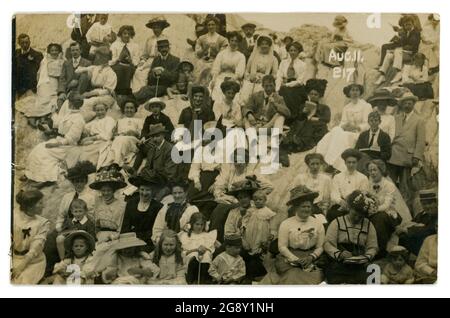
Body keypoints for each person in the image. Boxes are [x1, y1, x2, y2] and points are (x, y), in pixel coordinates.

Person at [211, 149, 273, 242]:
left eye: (241, 161)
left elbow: (269, 186)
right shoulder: (231, 172)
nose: (238, 164)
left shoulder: (252, 173)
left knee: (221, 208)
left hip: (246, 202)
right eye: (236, 161)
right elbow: (220, 185)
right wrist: (220, 195)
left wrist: (256, 196)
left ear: (246, 161)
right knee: (219, 209)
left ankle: (222, 239)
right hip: (233, 200)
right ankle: (217, 239)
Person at [24, 93, 85, 185]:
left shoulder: (79, 119)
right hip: (59, 141)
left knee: (43, 152)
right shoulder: (69, 113)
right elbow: (58, 123)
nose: (67, 103)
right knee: (39, 148)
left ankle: (44, 178)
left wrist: (55, 144)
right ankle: (32, 174)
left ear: (71, 103)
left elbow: (72, 138)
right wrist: (53, 113)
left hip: (67, 147)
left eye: (69, 102)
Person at [269, 185, 325, 284]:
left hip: (310, 257)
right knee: (293, 275)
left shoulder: (317, 223)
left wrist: (311, 257)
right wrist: (295, 259)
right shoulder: (286, 223)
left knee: (315, 276)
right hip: (290, 256)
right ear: (296, 208)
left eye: (309, 206)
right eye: (303, 206)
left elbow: (320, 246)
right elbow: (282, 247)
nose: (307, 209)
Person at [323, 190, 379, 284]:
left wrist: (366, 256)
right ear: (349, 208)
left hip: (360, 264)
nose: (357, 218)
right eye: (355, 215)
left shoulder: (368, 225)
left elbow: (373, 247)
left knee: (369, 278)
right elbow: (327, 244)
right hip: (340, 263)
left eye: (360, 217)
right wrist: (339, 254)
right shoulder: (337, 222)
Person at [316, 83, 372, 172]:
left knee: (343, 136)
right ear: (349, 93)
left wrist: (356, 127)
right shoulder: (346, 107)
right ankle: (325, 158)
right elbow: (343, 122)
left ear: (360, 92)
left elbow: (368, 124)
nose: (355, 92)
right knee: (335, 131)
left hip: (359, 134)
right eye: (352, 90)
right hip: (348, 131)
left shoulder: (366, 106)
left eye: (357, 90)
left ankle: (333, 163)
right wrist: (344, 126)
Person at [223, 177, 267, 281]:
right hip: (238, 244)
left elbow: (261, 230)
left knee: (255, 259)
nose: (243, 200)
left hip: (255, 244)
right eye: (240, 197)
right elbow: (228, 233)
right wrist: (241, 241)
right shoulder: (233, 213)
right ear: (237, 199)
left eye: (246, 197)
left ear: (251, 198)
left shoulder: (257, 211)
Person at [387, 92, 425, 203]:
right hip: (393, 156)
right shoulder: (396, 118)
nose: (407, 105)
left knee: (405, 186)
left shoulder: (419, 120)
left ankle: (406, 211)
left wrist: (417, 156)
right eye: (405, 103)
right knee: (391, 185)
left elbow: (421, 141)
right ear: (402, 105)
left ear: (413, 104)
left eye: (410, 103)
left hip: (408, 157)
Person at [281, 79, 330, 154]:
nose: (313, 96)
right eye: (311, 94)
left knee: (312, 126)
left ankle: (300, 142)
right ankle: (291, 140)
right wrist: (303, 113)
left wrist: (315, 119)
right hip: (303, 125)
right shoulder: (303, 105)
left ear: (319, 96)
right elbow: (298, 117)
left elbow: (326, 119)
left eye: (315, 94)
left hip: (316, 126)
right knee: (299, 123)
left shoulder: (324, 107)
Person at [366, 160, 403, 257]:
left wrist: (374, 210)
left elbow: (387, 204)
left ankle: (381, 250)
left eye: (375, 170)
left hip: (388, 214)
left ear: (381, 170)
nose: (372, 173)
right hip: (371, 212)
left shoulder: (389, 185)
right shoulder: (367, 184)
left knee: (379, 218)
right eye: (370, 170)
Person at [131, 123, 178, 201]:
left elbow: (169, 174)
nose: (155, 139)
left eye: (157, 136)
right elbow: (147, 167)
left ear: (163, 135)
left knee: (153, 200)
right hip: (151, 180)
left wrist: (150, 174)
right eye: (152, 137)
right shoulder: (152, 149)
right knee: (132, 196)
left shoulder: (171, 149)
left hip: (165, 183)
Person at [12, 190, 50, 284]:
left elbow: (36, 246)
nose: (43, 205)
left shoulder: (43, 223)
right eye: (40, 202)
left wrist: (21, 267)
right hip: (13, 258)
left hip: (34, 262)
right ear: (30, 205)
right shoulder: (14, 218)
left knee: (21, 281)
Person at [121, 173, 164, 252]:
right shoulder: (131, 203)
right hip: (130, 241)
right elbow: (125, 226)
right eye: (142, 189)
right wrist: (126, 240)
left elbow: (155, 229)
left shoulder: (158, 207)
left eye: (148, 190)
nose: (144, 193)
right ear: (138, 189)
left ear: (153, 191)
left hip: (148, 243)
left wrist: (139, 238)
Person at [75, 46, 117, 122]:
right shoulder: (95, 68)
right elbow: (77, 70)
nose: (96, 57)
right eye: (97, 55)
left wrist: (90, 93)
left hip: (105, 96)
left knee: (86, 103)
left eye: (98, 56)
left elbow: (107, 91)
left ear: (105, 57)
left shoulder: (111, 73)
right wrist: (85, 72)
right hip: (92, 94)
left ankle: (80, 123)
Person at [375, 16, 421, 85]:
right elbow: (403, 42)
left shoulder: (416, 32)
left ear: (413, 24)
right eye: (406, 25)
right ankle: (382, 75)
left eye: (409, 24)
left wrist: (403, 43)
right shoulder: (406, 32)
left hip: (411, 54)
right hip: (403, 53)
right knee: (389, 55)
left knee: (397, 50)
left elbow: (413, 46)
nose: (407, 26)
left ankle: (398, 72)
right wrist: (398, 39)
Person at [25, 43, 64, 124]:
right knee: (43, 98)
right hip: (44, 81)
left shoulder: (62, 61)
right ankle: (34, 117)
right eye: (52, 50)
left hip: (55, 82)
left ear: (59, 51)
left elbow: (59, 74)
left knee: (51, 98)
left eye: (56, 50)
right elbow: (39, 74)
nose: (54, 52)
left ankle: (43, 118)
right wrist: (40, 84)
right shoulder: (45, 60)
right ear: (49, 51)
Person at [328, 149, 369, 223]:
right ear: (345, 163)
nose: (351, 165)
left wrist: (352, 205)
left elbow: (363, 194)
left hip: (356, 206)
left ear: (357, 163)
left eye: (354, 162)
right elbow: (334, 193)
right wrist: (341, 202)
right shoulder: (337, 177)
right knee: (333, 214)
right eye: (349, 162)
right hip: (341, 204)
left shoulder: (363, 178)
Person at [55, 161, 97, 233]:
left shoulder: (91, 197)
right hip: (68, 227)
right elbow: (61, 216)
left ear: (85, 182)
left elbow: (94, 217)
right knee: (53, 237)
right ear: (73, 182)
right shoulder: (67, 197)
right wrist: (59, 226)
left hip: (85, 227)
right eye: (76, 182)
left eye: (81, 181)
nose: (79, 184)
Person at [132, 17, 171, 94]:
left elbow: (167, 53)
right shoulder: (149, 39)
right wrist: (143, 61)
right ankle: (136, 92)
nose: (155, 30)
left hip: (159, 60)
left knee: (146, 74)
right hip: (149, 60)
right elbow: (145, 54)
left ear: (162, 28)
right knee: (138, 72)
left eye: (158, 27)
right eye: (154, 28)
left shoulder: (165, 38)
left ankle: (143, 92)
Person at [89, 169, 127, 242]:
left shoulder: (121, 205)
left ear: (113, 191)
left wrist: (113, 237)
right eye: (103, 190)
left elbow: (121, 227)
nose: (106, 193)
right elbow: (96, 225)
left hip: (115, 237)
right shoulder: (98, 203)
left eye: (109, 190)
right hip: (99, 236)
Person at [179, 213, 218, 284]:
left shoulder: (207, 236)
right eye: (197, 224)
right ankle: (190, 277)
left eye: (201, 224)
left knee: (206, 255)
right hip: (191, 253)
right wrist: (195, 250)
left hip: (203, 253)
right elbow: (184, 251)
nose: (199, 227)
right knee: (193, 256)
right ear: (192, 224)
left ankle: (202, 278)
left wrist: (205, 249)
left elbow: (211, 248)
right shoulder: (186, 235)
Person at [240, 34, 279, 104]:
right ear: (259, 45)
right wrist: (250, 77)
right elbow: (246, 71)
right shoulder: (253, 57)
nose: (264, 46)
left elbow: (274, 74)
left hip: (265, 81)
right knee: (246, 90)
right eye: (262, 44)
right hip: (251, 80)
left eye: (266, 44)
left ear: (269, 46)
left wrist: (264, 79)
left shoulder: (274, 59)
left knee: (260, 90)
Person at [398, 189, 437, 256]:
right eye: (424, 204)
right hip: (419, 244)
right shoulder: (422, 214)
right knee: (401, 236)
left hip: (432, 246)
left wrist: (408, 230)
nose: (427, 206)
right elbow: (411, 223)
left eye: (430, 203)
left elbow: (430, 230)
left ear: (436, 202)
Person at [209, 31, 246, 102]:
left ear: (238, 42)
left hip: (234, 78)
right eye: (232, 40)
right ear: (229, 41)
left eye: (236, 41)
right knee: (217, 87)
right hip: (221, 77)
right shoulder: (222, 54)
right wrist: (214, 79)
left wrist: (233, 79)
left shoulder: (241, 56)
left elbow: (239, 73)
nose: (234, 43)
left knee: (233, 91)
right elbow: (216, 68)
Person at [107, 98, 144, 168]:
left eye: (131, 108)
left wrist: (134, 132)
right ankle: (111, 163)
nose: (129, 110)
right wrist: (114, 134)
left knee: (122, 140)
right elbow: (114, 134)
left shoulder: (139, 120)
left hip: (133, 140)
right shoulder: (119, 121)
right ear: (123, 109)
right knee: (117, 141)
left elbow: (141, 134)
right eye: (127, 108)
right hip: (120, 139)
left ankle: (117, 163)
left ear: (135, 109)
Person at [276, 41, 308, 116]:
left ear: (299, 52)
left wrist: (286, 85)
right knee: (281, 93)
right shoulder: (283, 62)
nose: (293, 52)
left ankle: (292, 116)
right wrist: (277, 88)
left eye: (295, 50)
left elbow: (300, 81)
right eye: (291, 50)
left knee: (289, 94)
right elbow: (279, 76)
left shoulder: (303, 64)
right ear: (288, 51)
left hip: (297, 87)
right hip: (283, 85)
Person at [57, 42, 92, 107]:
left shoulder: (87, 63)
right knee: (60, 100)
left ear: (80, 51)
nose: (75, 52)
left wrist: (77, 82)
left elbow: (88, 79)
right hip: (68, 89)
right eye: (73, 50)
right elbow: (62, 78)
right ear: (70, 52)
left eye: (77, 50)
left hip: (81, 90)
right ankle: (61, 117)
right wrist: (62, 92)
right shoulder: (66, 63)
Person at [243, 190, 277, 256]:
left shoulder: (268, 211)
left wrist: (272, 233)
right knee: (250, 240)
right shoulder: (251, 210)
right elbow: (245, 219)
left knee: (260, 242)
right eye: (255, 200)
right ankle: (250, 252)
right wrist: (244, 225)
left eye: (260, 199)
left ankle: (259, 253)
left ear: (265, 200)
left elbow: (273, 224)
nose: (258, 201)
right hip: (251, 230)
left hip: (262, 231)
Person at [110, 25, 140, 96]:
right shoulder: (115, 45)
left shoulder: (135, 46)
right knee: (119, 69)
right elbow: (111, 59)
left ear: (131, 35)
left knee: (128, 69)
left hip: (130, 66)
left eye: (129, 34)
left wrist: (131, 60)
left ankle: (126, 93)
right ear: (121, 34)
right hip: (117, 65)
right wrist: (119, 58)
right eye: (124, 33)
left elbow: (137, 59)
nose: (127, 36)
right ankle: (117, 92)